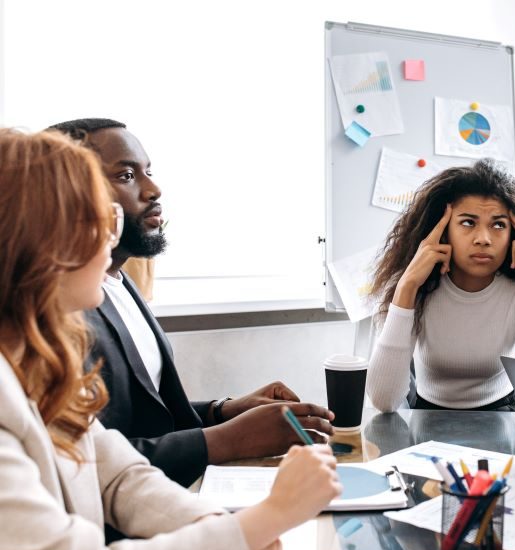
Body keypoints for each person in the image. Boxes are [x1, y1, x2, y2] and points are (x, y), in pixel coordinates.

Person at [0, 128, 342, 550]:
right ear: (35, 240)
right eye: (96, 216)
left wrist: (223, 535)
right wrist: (269, 518)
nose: (109, 234)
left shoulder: (41, 363)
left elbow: (118, 476)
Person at [48, 118, 333, 487]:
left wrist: (223, 411)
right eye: (127, 176)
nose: (154, 189)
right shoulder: (62, 310)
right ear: (70, 193)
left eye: (148, 171)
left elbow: (147, 416)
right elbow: (91, 462)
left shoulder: (122, 282)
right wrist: (227, 439)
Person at [366, 159, 515, 412]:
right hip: (427, 415)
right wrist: (406, 286)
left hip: (505, 414)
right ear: (443, 230)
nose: (483, 239)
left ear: (514, 233)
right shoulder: (416, 288)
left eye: (498, 225)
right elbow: (383, 401)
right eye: (468, 223)